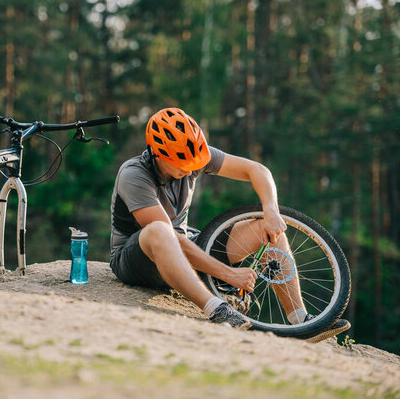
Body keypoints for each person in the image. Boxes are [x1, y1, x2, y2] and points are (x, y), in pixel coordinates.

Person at [109, 107, 349, 338]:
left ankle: (301, 322)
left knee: (265, 229)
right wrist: (229, 275)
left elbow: (257, 170)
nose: (190, 168)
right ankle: (218, 310)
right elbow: (173, 240)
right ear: (158, 154)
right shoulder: (134, 175)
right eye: (182, 164)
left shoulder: (193, 157)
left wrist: (271, 210)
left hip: (184, 249)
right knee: (161, 230)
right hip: (138, 259)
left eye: (193, 162)